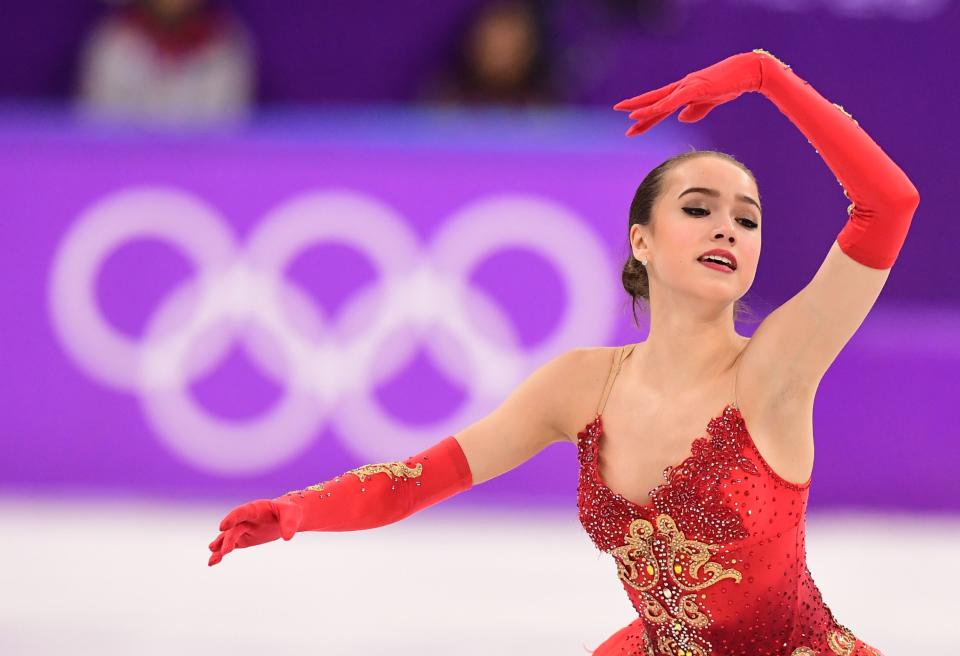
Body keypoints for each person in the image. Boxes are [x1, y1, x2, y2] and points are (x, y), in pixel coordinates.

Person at [207, 50, 918, 655]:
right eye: (698, 208)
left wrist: (768, 76)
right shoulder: (581, 385)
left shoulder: (776, 370)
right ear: (641, 240)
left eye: (747, 218)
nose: (726, 228)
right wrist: (298, 510)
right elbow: (422, 476)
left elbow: (887, 203)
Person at [76, 0, 255, 124]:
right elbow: (99, 127)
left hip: (201, 168)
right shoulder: (112, 43)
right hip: (125, 168)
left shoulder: (223, 47)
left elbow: (226, 128)